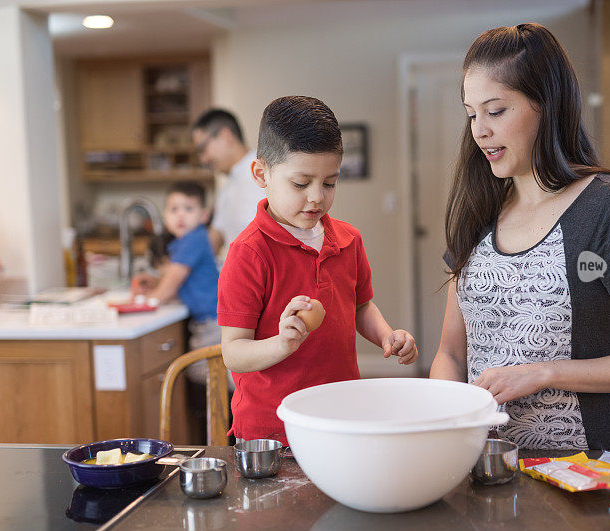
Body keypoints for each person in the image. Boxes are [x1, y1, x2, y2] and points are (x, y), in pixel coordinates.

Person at [429, 24, 610, 451]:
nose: (479, 131)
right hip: (483, 466)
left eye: (495, 111)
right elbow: (452, 354)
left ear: (547, 106)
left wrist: (544, 371)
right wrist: (444, 419)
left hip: (587, 473)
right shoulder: (478, 211)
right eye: (471, 113)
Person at [217, 96, 419, 443]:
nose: (317, 197)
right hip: (271, 433)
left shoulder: (348, 239)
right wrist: (281, 344)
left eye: (329, 183)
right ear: (261, 173)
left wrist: (387, 336)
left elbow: (361, 307)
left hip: (339, 416)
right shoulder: (249, 253)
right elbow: (233, 352)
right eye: (301, 183)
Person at [132, 181, 222, 372]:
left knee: (204, 372)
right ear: (165, 216)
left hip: (214, 322)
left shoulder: (193, 240)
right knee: (208, 371)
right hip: (210, 319)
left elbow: (171, 284)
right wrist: (157, 282)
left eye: (188, 209)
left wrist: (146, 301)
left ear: (204, 215)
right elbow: (181, 279)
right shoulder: (188, 241)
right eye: (174, 209)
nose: (180, 215)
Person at [192, 109, 264, 257]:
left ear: (226, 135)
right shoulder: (228, 187)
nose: (203, 159)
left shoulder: (266, 173)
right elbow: (214, 240)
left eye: (203, 149)